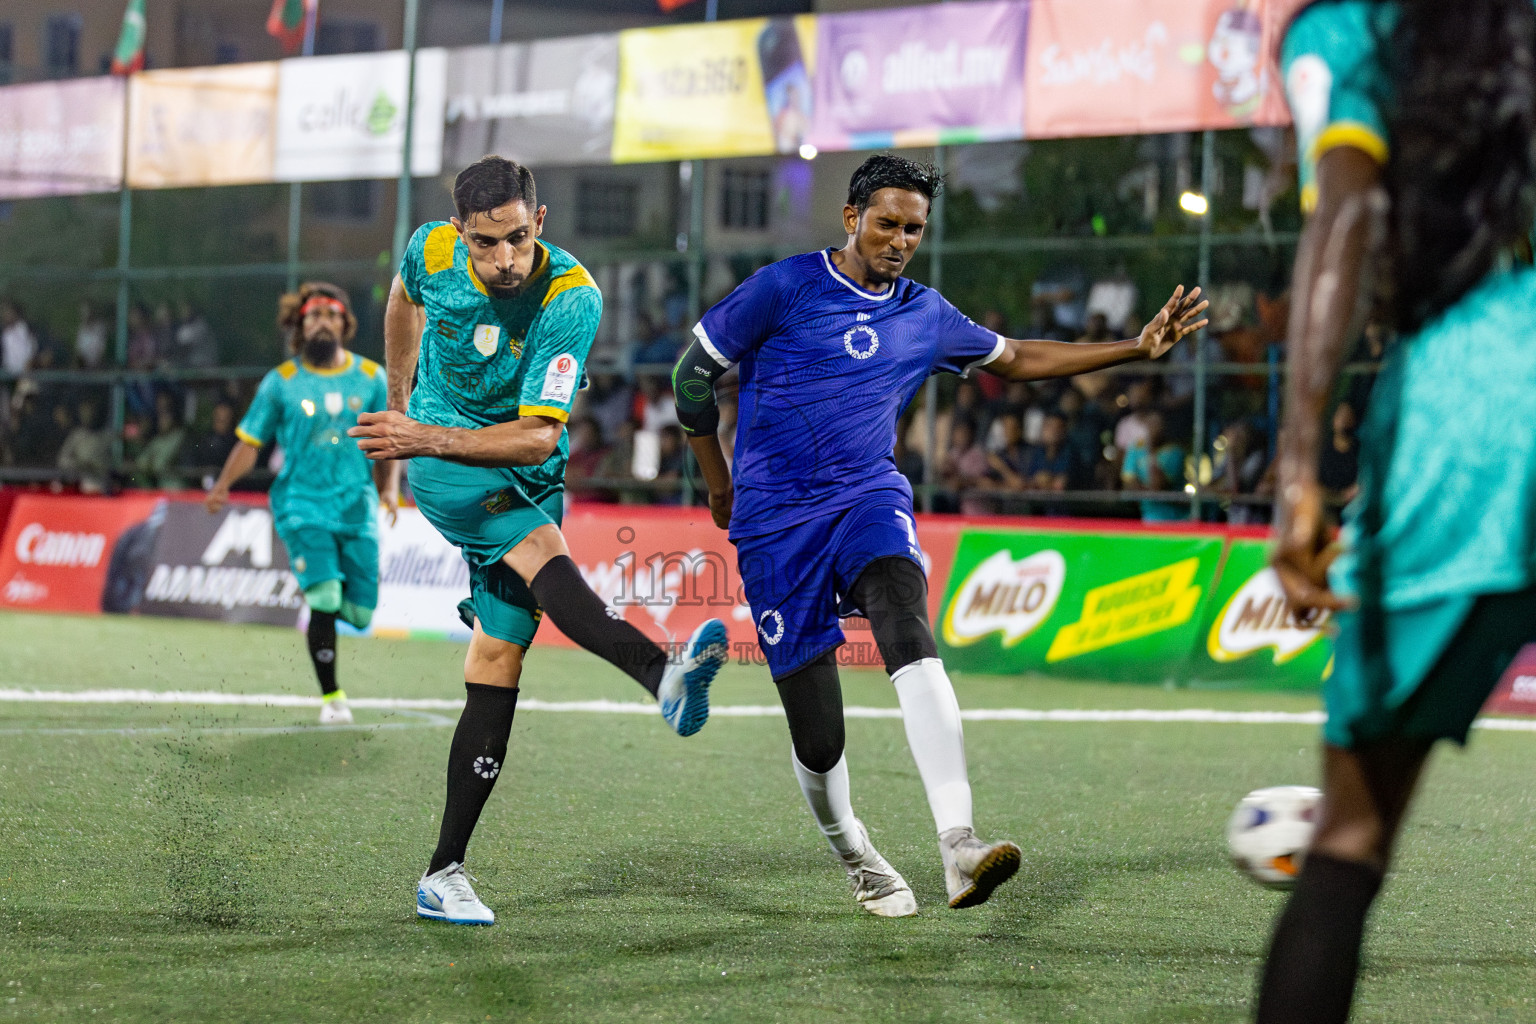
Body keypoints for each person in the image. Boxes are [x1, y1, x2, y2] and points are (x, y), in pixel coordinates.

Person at [673, 154, 1206, 917]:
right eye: (886, 223)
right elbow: (692, 376)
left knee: (902, 611)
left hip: (865, 498)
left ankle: (958, 843)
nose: (899, 239)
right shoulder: (784, 288)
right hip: (774, 521)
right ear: (852, 217)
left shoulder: (924, 314)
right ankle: (855, 853)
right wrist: (718, 480)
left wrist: (1134, 348)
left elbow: (1016, 358)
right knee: (820, 738)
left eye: (913, 229)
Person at [345, 156, 728, 927]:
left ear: (539, 221)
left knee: (498, 656)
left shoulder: (570, 298)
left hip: (521, 460)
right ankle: (663, 677)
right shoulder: (429, 250)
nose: (503, 260)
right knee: (545, 556)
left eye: (517, 239)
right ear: (460, 233)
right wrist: (403, 413)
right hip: (449, 471)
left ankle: (443, 872)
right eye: (486, 244)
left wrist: (419, 430)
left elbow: (532, 439)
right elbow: (399, 302)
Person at [1258, 3, 1536, 1022]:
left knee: (1350, 833)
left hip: (1475, 404)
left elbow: (1347, 215)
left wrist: (1299, 470)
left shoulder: (1345, 31)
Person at [204, 282, 391, 730]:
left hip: (356, 506)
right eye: (313, 315)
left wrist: (388, 491)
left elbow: (385, 443)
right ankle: (332, 695)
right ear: (300, 325)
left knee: (361, 615)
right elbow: (251, 442)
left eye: (331, 314)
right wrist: (224, 484)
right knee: (326, 598)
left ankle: (317, 585)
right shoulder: (281, 382)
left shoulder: (371, 377)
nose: (322, 321)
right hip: (302, 503)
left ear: (345, 323)